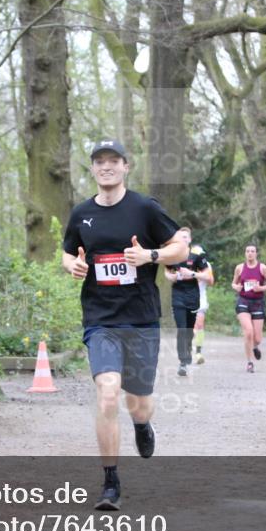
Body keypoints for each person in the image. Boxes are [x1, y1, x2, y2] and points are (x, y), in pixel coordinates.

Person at [62, 139, 188, 511]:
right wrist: (73, 266)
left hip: (141, 319)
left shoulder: (144, 208)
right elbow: (68, 252)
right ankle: (110, 483)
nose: (106, 167)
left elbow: (179, 247)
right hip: (100, 319)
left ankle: (142, 426)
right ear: (93, 169)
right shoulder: (81, 214)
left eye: (113, 161)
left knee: (139, 404)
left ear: (125, 167)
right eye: (99, 161)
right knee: (107, 393)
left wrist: (150, 255)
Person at [163, 228, 214, 376]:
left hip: (193, 295)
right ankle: (183, 361)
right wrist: (170, 277)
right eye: (181, 237)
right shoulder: (172, 254)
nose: (183, 240)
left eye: (186, 237)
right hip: (177, 294)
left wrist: (192, 273)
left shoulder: (197, 255)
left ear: (190, 240)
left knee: (190, 330)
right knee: (181, 328)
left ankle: (189, 349)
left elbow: (207, 275)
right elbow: (167, 271)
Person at [232, 244, 266, 373]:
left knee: (257, 338)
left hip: (257, 303)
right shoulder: (239, 268)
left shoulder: (262, 268)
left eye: (252, 251)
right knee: (248, 331)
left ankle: (255, 346)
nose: (250, 253)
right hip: (243, 301)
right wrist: (236, 287)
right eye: (248, 251)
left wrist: (260, 288)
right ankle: (249, 362)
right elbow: (233, 283)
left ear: (256, 254)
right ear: (245, 253)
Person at [194, 257, 214, 364]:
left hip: (201, 299)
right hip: (186, 298)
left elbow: (211, 281)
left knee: (199, 326)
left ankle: (198, 352)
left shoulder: (206, 265)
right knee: (191, 327)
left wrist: (200, 275)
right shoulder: (185, 263)